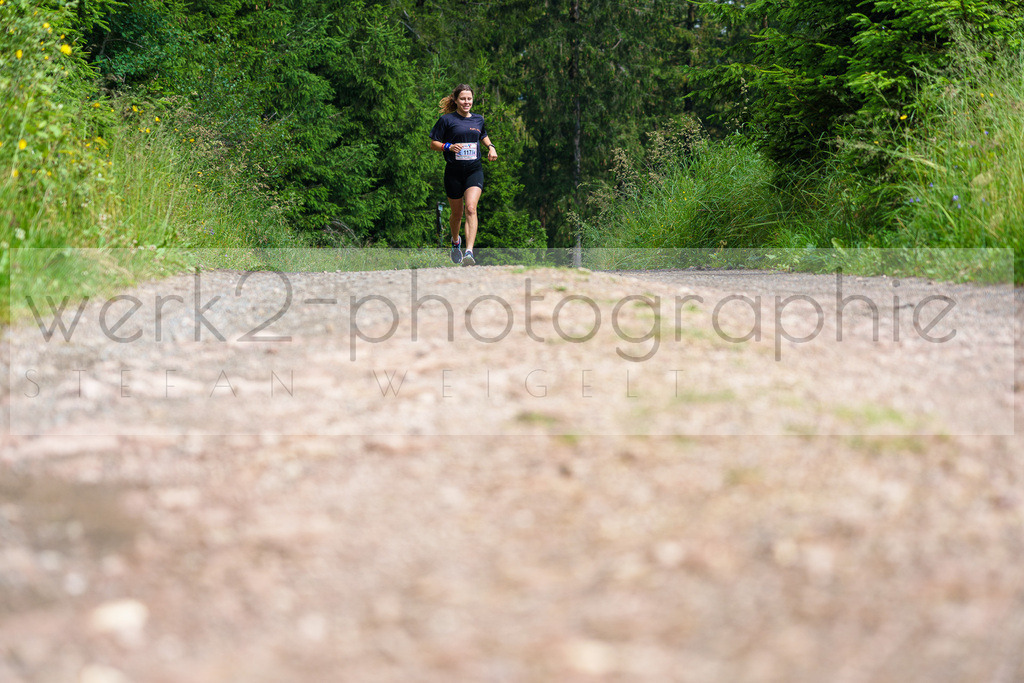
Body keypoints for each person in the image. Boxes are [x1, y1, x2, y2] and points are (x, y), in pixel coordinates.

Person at [429, 84, 497, 265]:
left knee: (471, 208)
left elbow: (483, 134)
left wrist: (491, 147)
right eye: (463, 99)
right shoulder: (446, 120)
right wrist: (448, 146)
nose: (467, 102)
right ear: (456, 100)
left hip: (474, 170)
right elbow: (433, 143)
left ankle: (469, 252)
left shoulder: (478, 119)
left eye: (469, 99)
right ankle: (455, 242)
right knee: (456, 214)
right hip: (453, 172)